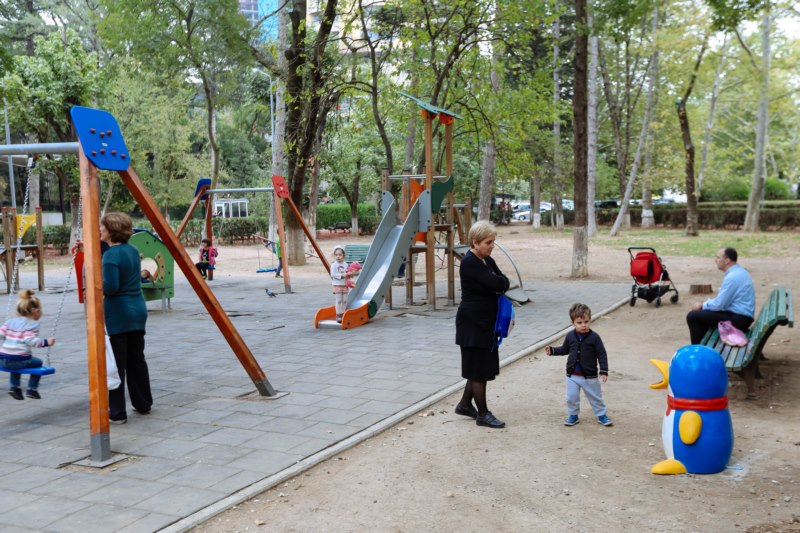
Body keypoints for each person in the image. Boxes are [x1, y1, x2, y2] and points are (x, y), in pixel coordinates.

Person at [454, 220, 510, 429]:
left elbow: (504, 282)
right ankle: (483, 414)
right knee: (478, 370)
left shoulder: (486, 260)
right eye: (488, 242)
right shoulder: (470, 262)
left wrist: (498, 283)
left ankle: (464, 405)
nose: (492, 246)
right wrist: (497, 283)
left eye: (493, 241)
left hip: (484, 323)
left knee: (478, 367)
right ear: (475, 243)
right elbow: (496, 283)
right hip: (473, 324)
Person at [101, 212, 152, 424]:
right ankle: (143, 402)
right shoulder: (132, 250)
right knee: (136, 359)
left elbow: (111, 287)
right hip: (137, 309)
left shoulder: (110, 256)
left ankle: (117, 412)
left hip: (119, 314)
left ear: (111, 231)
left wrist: (95, 286)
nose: (100, 230)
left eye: (103, 227)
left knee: (117, 364)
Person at [546, 303, 613, 427]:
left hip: (590, 376)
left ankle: (601, 415)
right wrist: (553, 351)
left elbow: (602, 354)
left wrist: (603, 371)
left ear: (590, 320)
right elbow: (565, 349)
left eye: (586, 321)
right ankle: (573, 415)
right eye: (579, 322)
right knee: (571, 397)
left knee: (595, 397)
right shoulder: (570, 336)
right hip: (572, 375)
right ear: (572, 323)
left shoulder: (595, 338)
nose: (583, 325)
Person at [686, 247, 755, 344]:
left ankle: (698, 349)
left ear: (727, 260)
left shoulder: (733, 277)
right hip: (741, 317)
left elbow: (720, 304)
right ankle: (704, 346)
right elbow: (722, 302)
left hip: (739, 320)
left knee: (693, 316)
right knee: (702, 314)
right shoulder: (738, 272)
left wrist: (702, 305)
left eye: (718, 258)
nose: (715, 260)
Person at [0, 289, 56, 400]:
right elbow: (30, 340)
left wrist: (11, 337)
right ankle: (32, 389)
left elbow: (1, 334)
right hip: (17, 360)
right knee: (38, 362)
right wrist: (46, 342)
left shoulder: (9, 322)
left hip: (3, 359)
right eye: (40, 311)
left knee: (14, 361)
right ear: (35, 311)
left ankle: (15, 388)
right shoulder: (32, 324)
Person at [330, 245, 352, 323]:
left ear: (343, 255)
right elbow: (333, 274)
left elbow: (348, 274)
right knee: (339, 300)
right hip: (337, 285)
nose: (338, 256)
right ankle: (338, 314)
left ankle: (343, 313)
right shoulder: (333, 265)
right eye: (336, 255)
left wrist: (349, 276)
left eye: (340, 255)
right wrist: (342, 275)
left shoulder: (346, 264)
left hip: (345, 285)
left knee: (345, 300)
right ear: (334, 256)